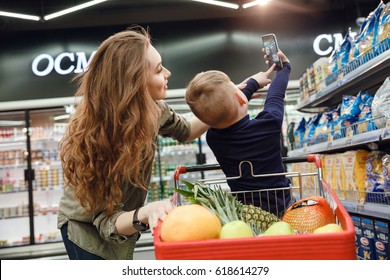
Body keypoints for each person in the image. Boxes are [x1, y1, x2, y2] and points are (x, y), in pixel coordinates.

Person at [56, 26, 211, 260]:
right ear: (135, 82)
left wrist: (228, 103)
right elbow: (106, 222)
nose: (168, 73)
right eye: (159, 70)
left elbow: (187, 130)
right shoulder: (102, 138)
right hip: (86, 233)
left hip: (117, 221)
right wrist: (145, 212)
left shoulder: (153, 109)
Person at [185, 50, 292, 216]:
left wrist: (249, 86)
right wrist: (284, 68)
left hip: (244, 213)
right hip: (281, 208)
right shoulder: (269, 124)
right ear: (241, 98)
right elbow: (275, 94)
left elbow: (227, 107)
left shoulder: (213, 138)